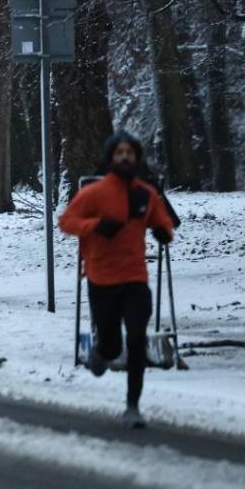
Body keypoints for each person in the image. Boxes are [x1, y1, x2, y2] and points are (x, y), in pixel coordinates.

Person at [59, 131, 176, 429]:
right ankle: (101, 354)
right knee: (111, 345)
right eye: (119, 152)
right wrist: (97, 225)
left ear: (137, 158)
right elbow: (66, 222)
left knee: (136, 338)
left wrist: (163, 232)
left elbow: (162, 220)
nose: (125, 157)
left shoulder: (145, 193)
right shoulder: (94, 193)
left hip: (135, 277)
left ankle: (132, 405)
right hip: (101, 278)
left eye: (130, 152)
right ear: (110, 158)